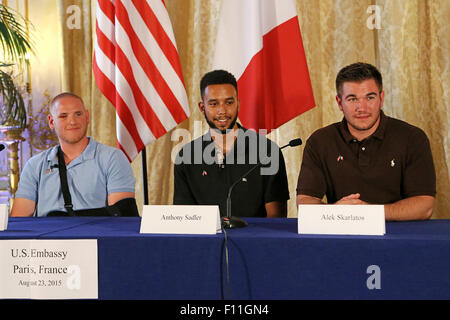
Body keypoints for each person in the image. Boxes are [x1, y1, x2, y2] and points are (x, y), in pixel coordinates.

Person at [296, 62, 436, 221]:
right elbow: (305, 202)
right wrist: (336, 211)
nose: (362, 107)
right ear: (339, 103)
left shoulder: (412, 138)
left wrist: (368, 213)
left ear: (381, 98)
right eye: (352, 99)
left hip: (399, 238)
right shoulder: (320, 141)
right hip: (341, 235)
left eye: (370, 97)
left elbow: (425, 206)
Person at [173, 70, 289, 218]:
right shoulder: (186, 156)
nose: (222, 111)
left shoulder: (267, 151)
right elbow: (184, 219)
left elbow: (276, 221)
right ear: (202, 108)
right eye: (214, 104)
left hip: (255, 240)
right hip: (206, 241)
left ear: (238, 103)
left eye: (229, 103)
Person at [10, 92, 136, 217]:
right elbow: (19, 220)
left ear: (87, 117)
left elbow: (120, 217)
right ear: (51, 122)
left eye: (78, 114)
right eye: (63, 116)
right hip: (47, 237)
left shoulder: (113, 158)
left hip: (95, 236)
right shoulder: (35, 165)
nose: (72, 121)